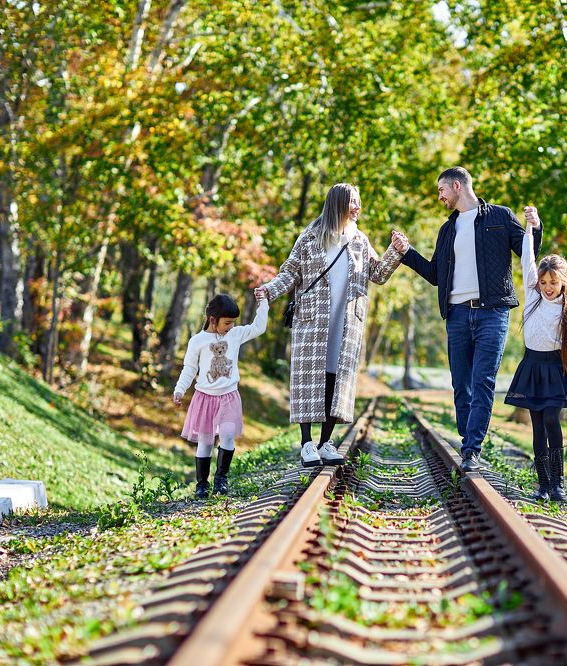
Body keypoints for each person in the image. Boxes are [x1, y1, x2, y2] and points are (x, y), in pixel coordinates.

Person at [392, 167, 542, 472]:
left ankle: (472, 449)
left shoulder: (500, 216)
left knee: (482, 381)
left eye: (441, 190)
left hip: (492, 313)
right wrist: (407, 253)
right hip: (457, 315)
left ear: (457, 186)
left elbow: (529, 252)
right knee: (461, 384)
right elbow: (435, 275)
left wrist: (535, 227)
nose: (440, 197)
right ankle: (467, 441)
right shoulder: (447, 230)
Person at [256, 183, 404, 467]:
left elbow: (378, 274)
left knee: (337, 380)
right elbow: (290, 272)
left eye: (359, 201)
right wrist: (269, 290)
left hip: (347, 322)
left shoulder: (359, 240)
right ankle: (306, 444)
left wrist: (395, 252)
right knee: (308, 379)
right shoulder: (310, 237)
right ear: (338, 203)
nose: (358, 207)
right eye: (353, 201)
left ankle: (325, 443)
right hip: (312, 319)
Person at [504, 206, 567, 502]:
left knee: (552, 420)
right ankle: (543, 485)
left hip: (556, 370)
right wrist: (531, 226)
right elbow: (527, 258)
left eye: (553, 282)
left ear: (564, 282)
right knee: (538, 426)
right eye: (544, 282)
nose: (548, 287)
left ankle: (558, 483)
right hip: (532, 367)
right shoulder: (533, 295)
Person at [174, 293, 269, 499]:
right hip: (204, 398)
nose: (231, 326)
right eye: (227, 323)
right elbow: (189, 368)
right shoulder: (197, 341)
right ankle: (202, 485)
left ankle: (221, 480)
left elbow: (258, 328)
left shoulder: (234, 335)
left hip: (228, 396)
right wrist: (180, 389)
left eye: (233, 322)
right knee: (205, 441)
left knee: (227, 435)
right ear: (212, 319)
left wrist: (263, 303)